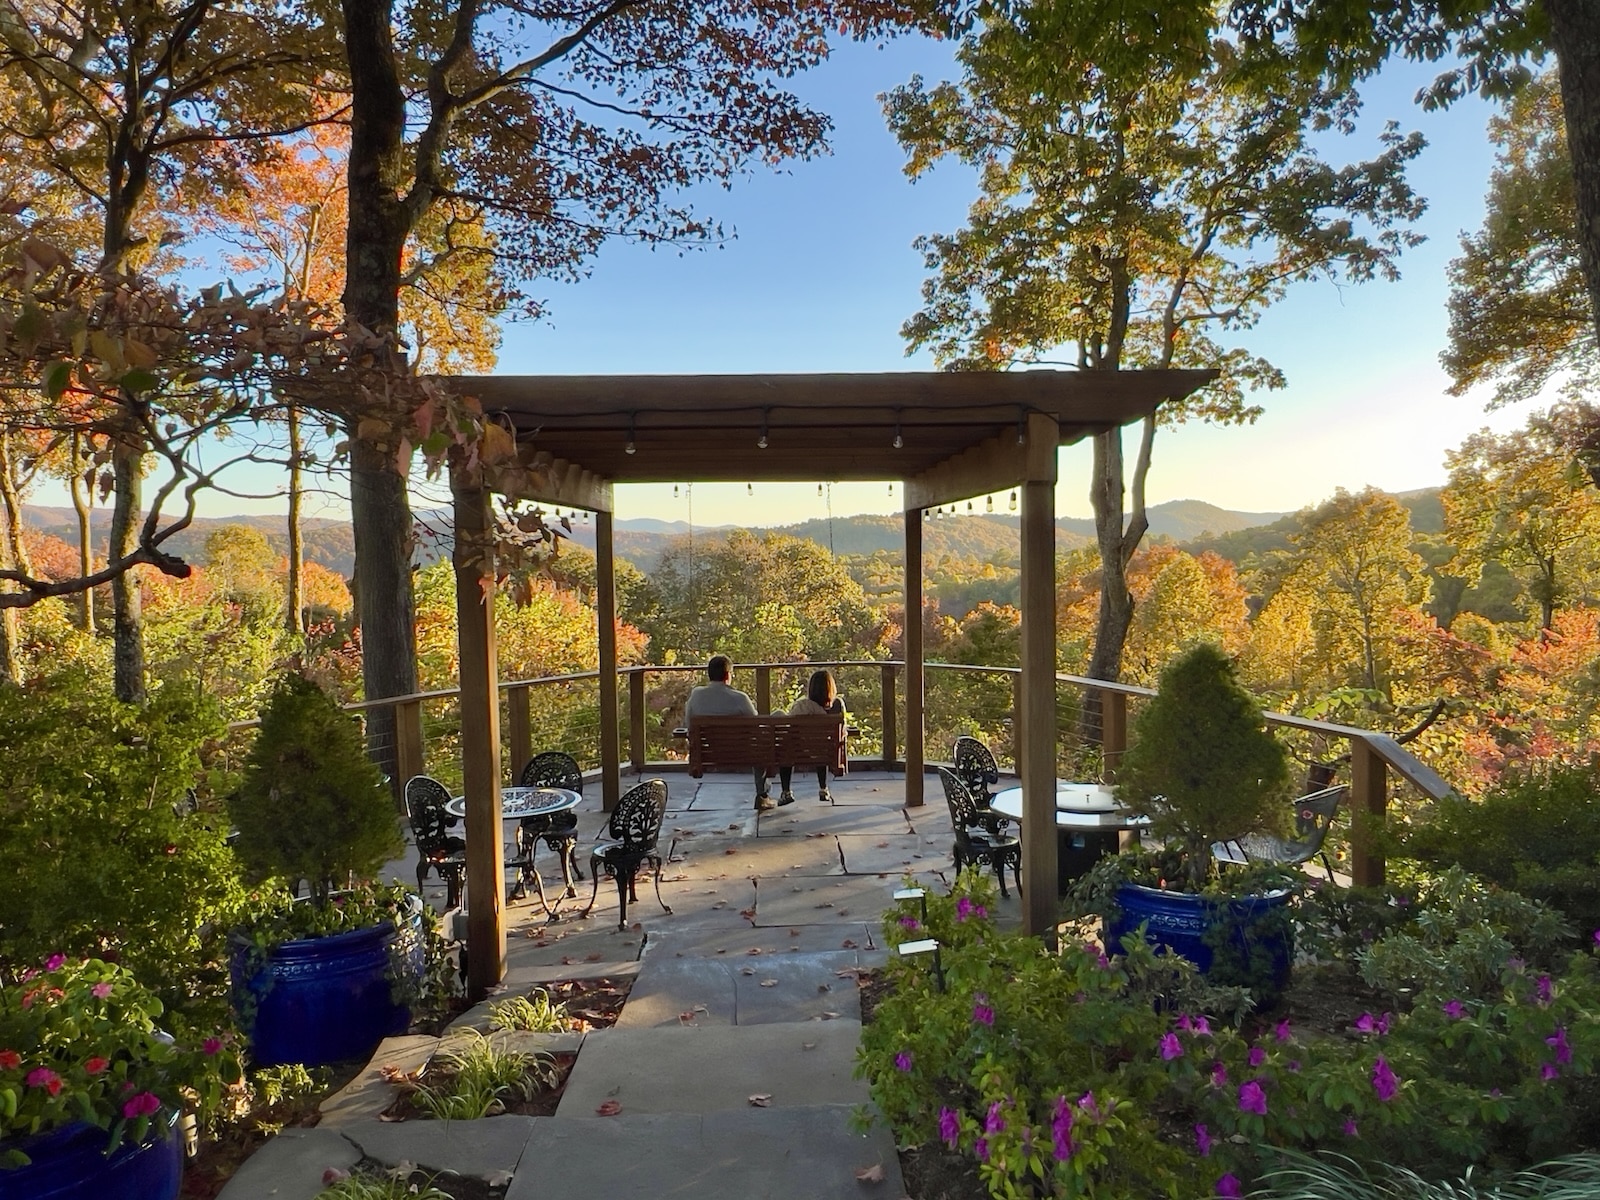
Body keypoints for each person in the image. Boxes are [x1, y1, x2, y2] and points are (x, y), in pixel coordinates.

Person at [684, 654, 773, 811]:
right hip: (742, 753)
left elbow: (689, 725)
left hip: (709, 753)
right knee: (762, 742)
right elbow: (756, 726)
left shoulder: (696, 696)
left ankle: (763, 794)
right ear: (728, 675)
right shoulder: (740, 698)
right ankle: (762, 794)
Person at [778, 668, 846, 806]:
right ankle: (823, 789)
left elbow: (790, 728)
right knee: (821, 744)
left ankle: (786, 791)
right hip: (825, 751)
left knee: (785, 748)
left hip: (799, 751)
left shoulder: (802, 706)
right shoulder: (837, 705)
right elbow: (842, 728)